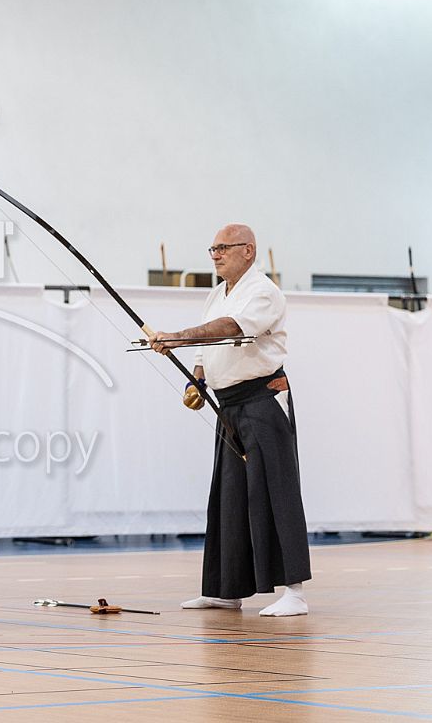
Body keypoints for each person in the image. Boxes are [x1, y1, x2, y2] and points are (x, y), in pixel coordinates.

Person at [147, 223, 311, 617]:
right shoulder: (217, 293)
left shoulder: (263, 292)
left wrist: (177, 337)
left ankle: (295, 592)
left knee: (275, 491)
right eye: (213, 249)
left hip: (263, 399)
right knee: (229, 495)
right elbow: (206, 349)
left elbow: (230, 328)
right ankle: (225, 589)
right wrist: (198, 380)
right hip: (229, 404)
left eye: (223, 247)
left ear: (248, 250)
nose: (215, 255)